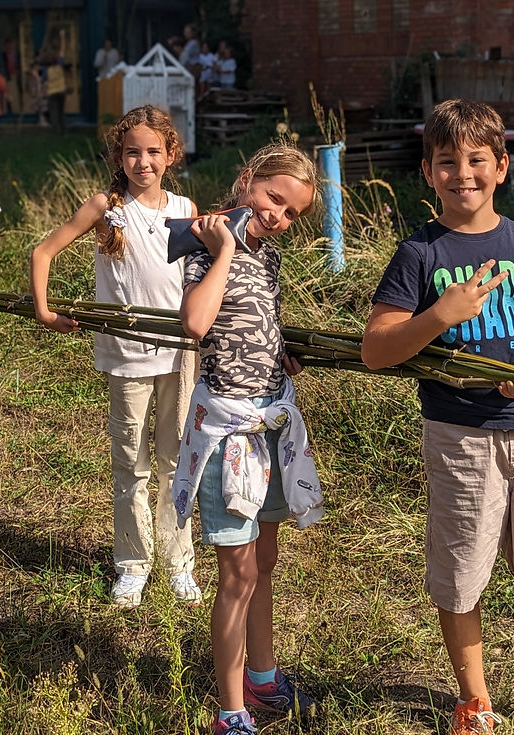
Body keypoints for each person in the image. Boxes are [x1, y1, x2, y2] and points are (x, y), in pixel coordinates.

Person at [361, 99, 514, 735]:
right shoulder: (420, 253)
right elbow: (376, 348)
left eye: (477, 160)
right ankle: (474, 700)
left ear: (501, 167)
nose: (462, 173)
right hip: (460, 435)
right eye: (448, 162)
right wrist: (440, 316)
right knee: (462, 568)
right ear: (427, 171)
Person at [172, 143, 324, 735]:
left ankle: (261, 679)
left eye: (291, 213)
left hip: (271, 422)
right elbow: (196, 323)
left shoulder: (271, 256)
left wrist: (277, 352)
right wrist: (225, 250)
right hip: (228, 431)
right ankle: (229, 711)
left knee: (263, 561)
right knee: (235, 576)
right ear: (248, 180)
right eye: (273, 198)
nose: (278, 216)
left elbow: (257, 319)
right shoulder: (207, 242)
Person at [30, 106, 202, 610]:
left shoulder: (186, 209)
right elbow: (44, 251)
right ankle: (131, 564)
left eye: (153, 152)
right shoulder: (106, 206)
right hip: (127, 358)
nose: (142, 161)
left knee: (177, 463)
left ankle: (178, 563)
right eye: (132, 152)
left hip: (179, 356)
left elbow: (204, 275)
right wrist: (44, 310)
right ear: (118, 156)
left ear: (170, 155)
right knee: (131, 462)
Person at [39, 28, 70, 135]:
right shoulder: (59, 65)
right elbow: (62, 50)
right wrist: (62, 37)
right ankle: (64, 130)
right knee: (61, 112)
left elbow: (42, 81)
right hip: (61, 90)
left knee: (54, 113)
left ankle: (57, 131)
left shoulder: (46, 70)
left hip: (52, 92)